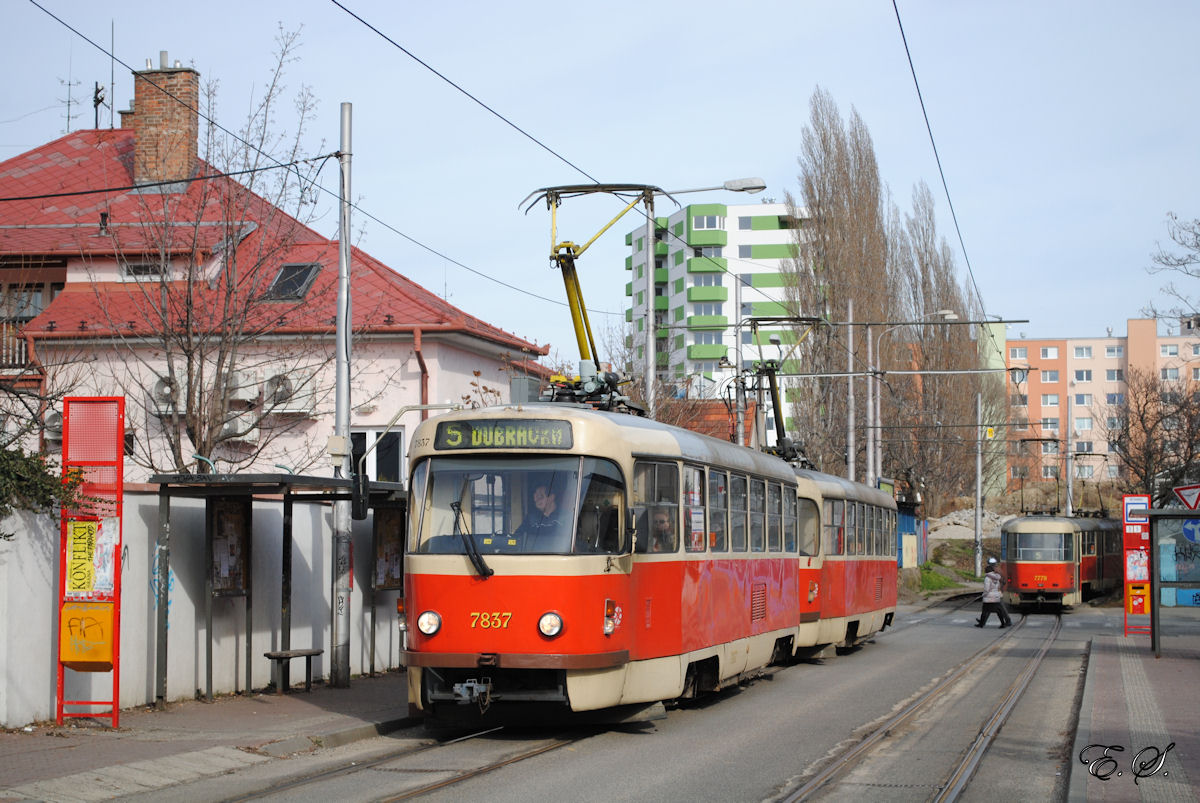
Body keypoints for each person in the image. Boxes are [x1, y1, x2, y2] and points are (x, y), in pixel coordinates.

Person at [516, 484, 567, 551]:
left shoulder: (565, 518)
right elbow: (517, 537)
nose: (536, 500)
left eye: (540, 496)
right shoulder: (530, 519)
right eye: (535, 496)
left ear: (551, 497)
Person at [976, 557, 1012, 628]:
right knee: (992, 609)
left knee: (998, 609)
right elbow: (1003, 580)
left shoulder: (993, 571)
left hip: (994, 593)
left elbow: (1001, 581)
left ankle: (1007, 621)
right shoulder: (998, 570)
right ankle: (982, 622)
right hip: (997, 593)